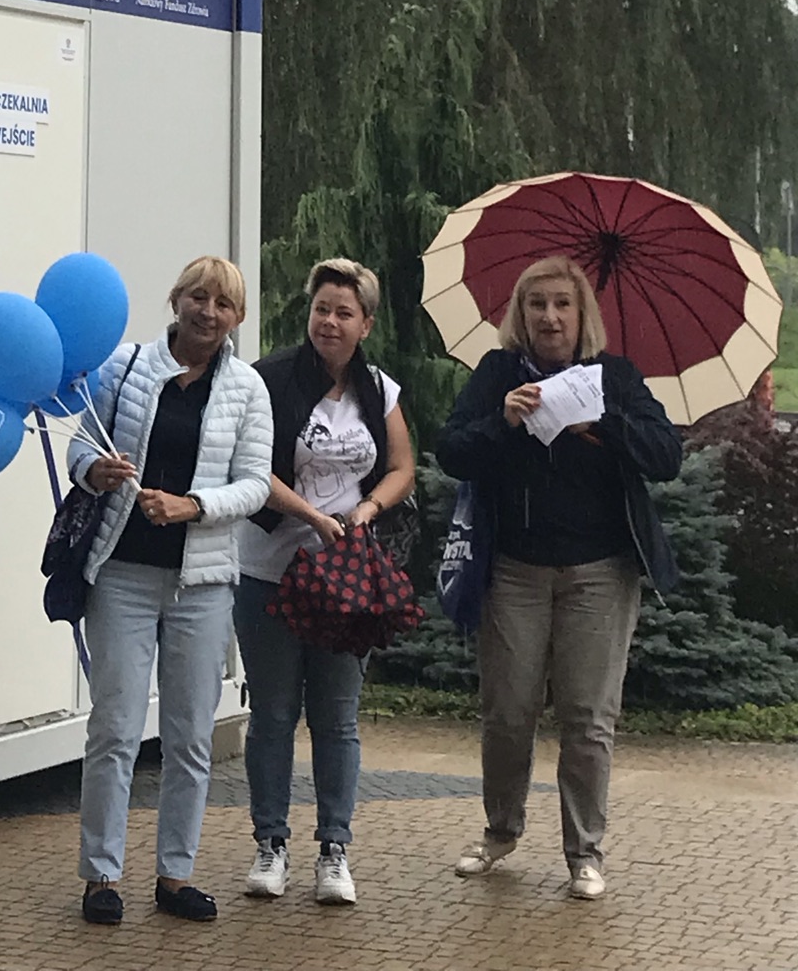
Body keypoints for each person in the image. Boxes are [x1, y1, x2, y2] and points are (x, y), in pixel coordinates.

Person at [436, 254, 682, 901]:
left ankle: (585, 853)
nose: (550, 316)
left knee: (588, 718)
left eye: (562, 304)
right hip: (514, 571)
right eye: (537, 304)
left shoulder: (615, 378)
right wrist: (503, 421)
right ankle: (500, 831)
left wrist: (603, 424)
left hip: (599, 574)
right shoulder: (499, 374)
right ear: (522, 313)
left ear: (581, 315)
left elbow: (667, 456)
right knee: (508, 713)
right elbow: (451, 450)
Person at [68, 255, 272, 927]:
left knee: (189, 737)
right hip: (121, 574)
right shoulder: (124, 367)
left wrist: (194, 506)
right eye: (198, 297)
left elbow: (256, 485)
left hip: (203, 584)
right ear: (176, 299)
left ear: (237, 317)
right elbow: (78, 448)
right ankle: (101, 876)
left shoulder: (246, 387)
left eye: (223, 303)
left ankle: (175, 875)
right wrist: (94, 470)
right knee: (115, 729)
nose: (208, 312)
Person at [234, 258, 415, 908]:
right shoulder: (269, 379)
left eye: (344, 312)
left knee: (337, 719)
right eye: (321, 309)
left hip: (346, 580)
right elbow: (249, 466)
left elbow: (402, 467)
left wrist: (366, 510)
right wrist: (312, 516)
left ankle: (334, 849)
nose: (329, 322)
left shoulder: (378, 390)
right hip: (270, 570)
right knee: (273, 714)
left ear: (366, 324)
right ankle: (270, 844)